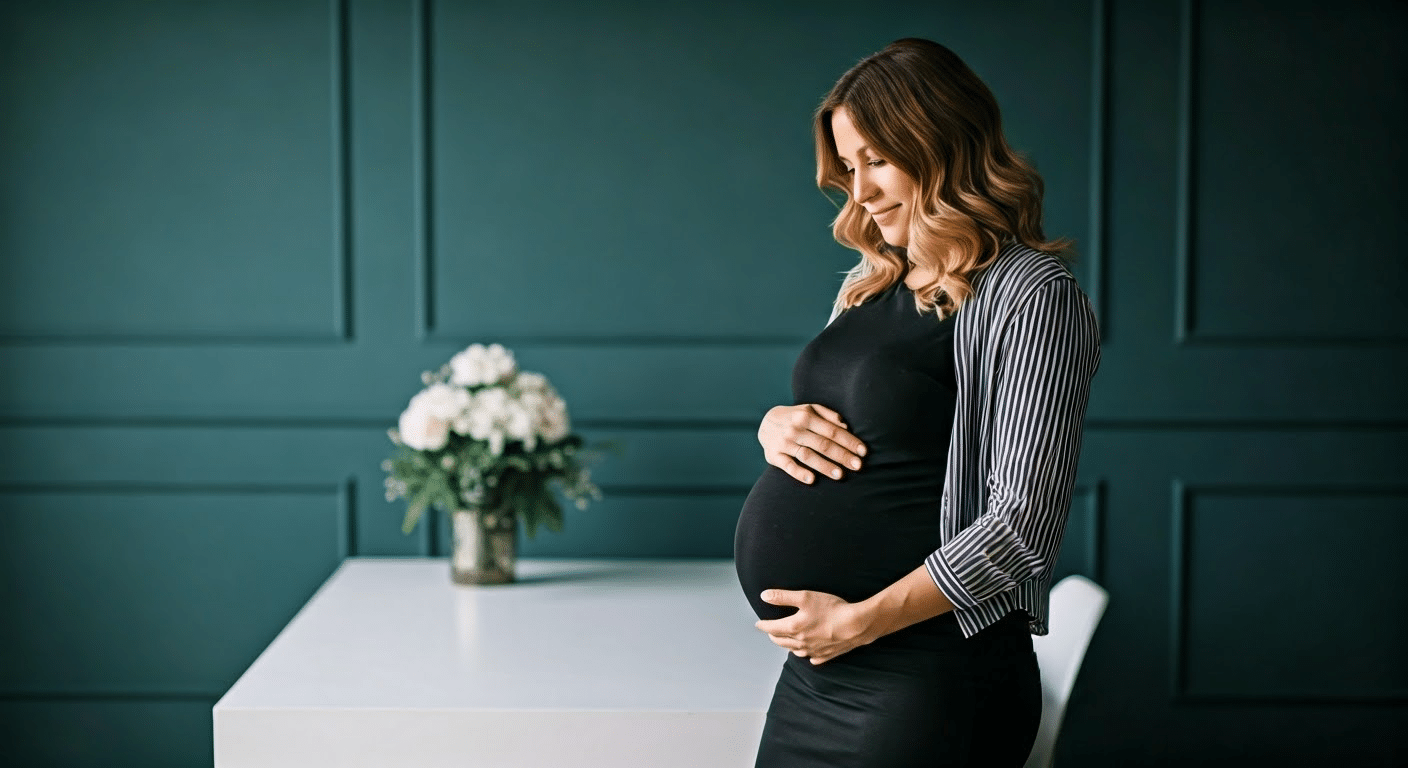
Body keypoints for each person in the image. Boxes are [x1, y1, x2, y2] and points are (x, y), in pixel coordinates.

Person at [732, 38, 1101, 768]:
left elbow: (1022, 525)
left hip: (927, 679)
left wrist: (861, 622)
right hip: (821, 672)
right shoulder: (872, 281)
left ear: (942, 145)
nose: (859, 191)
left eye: (876, 159)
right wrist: (774, 426)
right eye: (848, 166)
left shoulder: (1033, 296)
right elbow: (862, 422)